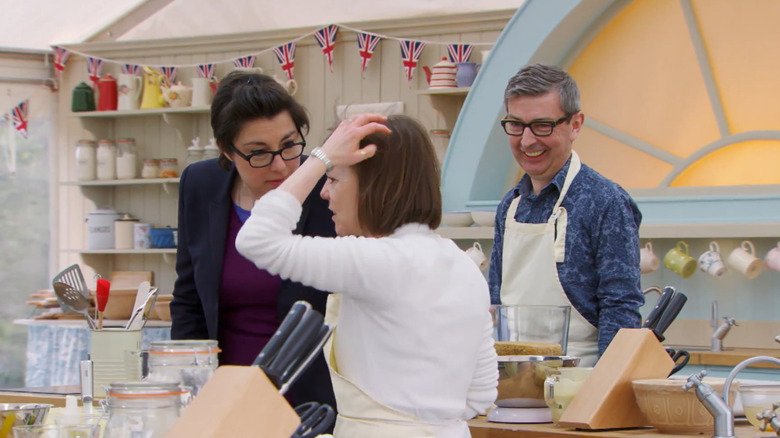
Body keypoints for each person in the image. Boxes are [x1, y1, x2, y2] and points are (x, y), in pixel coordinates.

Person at [236, 114, 497, 437]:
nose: (324, 193)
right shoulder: (465, 266)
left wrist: (320, 158)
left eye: (333, 179)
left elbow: (256, 239)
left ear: (374, 184)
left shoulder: (376, 261)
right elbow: (482, 395)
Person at [169, 71, 337, 411]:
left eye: (290, 145)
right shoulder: (200, 184)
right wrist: (190, 391)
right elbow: (189, 300)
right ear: (226, 150)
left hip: (311, 401)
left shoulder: (326, 191)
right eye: (257, 153)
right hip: (224, 400)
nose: (281, 166)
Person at [488, 64, 644, 366]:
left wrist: (602, 395)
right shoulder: (510, 206)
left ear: (575, 125)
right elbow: (495, 306)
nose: (527, 140)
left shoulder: (605, 201)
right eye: (516, 125)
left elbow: (620, 310)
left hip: (579, 385)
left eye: (542, 125)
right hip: (511, 386)